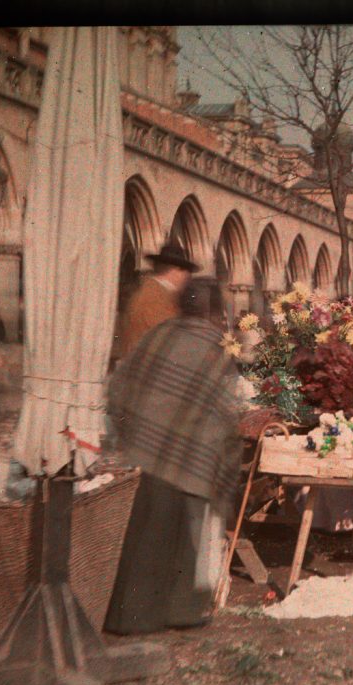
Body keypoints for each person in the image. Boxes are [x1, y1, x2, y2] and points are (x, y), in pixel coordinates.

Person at [104, 281, 241, 634]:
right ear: (215, 313)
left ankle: (131, 618)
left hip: (146, 453)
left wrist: (129, 434)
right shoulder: (217, 349)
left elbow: (118, 386)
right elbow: (227, 414)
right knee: (189, 541)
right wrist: (225, 465)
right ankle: (183, 613)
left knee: (146, 535)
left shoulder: (157, 335)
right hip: (193, 457)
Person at [118, 243, 199, 357]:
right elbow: (168, 340)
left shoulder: (157, 293)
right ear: (175, 271)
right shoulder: (153, 297)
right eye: (187, 271)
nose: (188, 277)